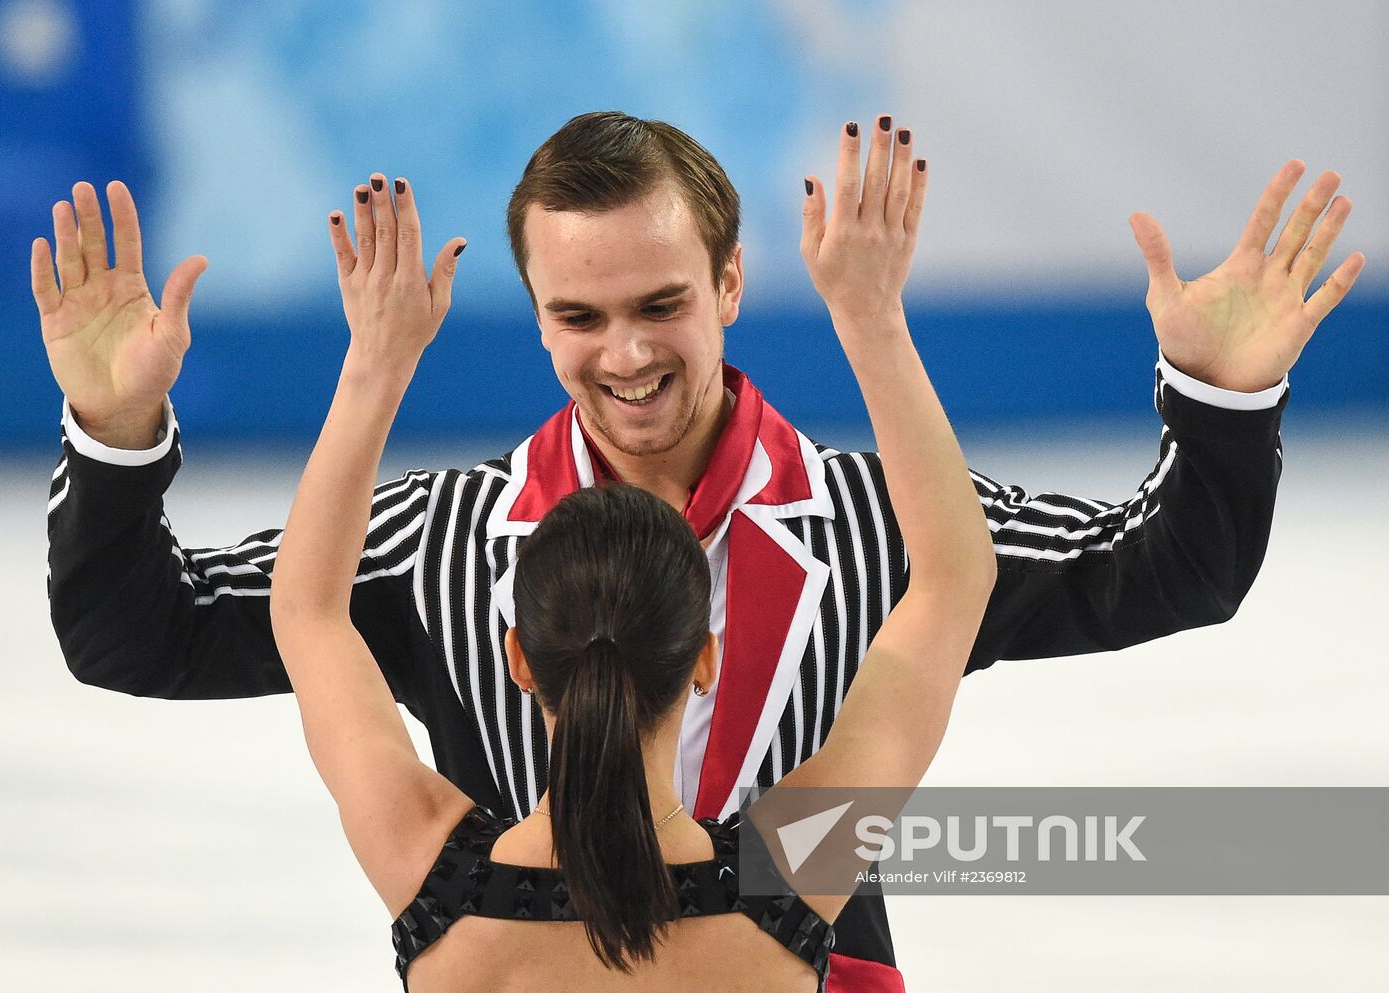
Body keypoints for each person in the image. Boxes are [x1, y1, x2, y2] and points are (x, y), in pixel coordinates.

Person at [35, 111, 1363, 987]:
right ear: (540, 317)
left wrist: (1223, 401)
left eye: (662, 301)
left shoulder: (870, 520)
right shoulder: (434, 539)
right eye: (580, 313)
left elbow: (1170, 563)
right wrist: (112, 423)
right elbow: (137, 629)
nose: (624, 352)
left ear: (730, 284)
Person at [265, 115, 995, 993]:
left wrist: (376, 363)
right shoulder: (791, 882)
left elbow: (306, 608)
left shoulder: (440, 888)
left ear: (519, 658)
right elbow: (955, 577)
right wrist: (870, 316)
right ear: (704, 660)